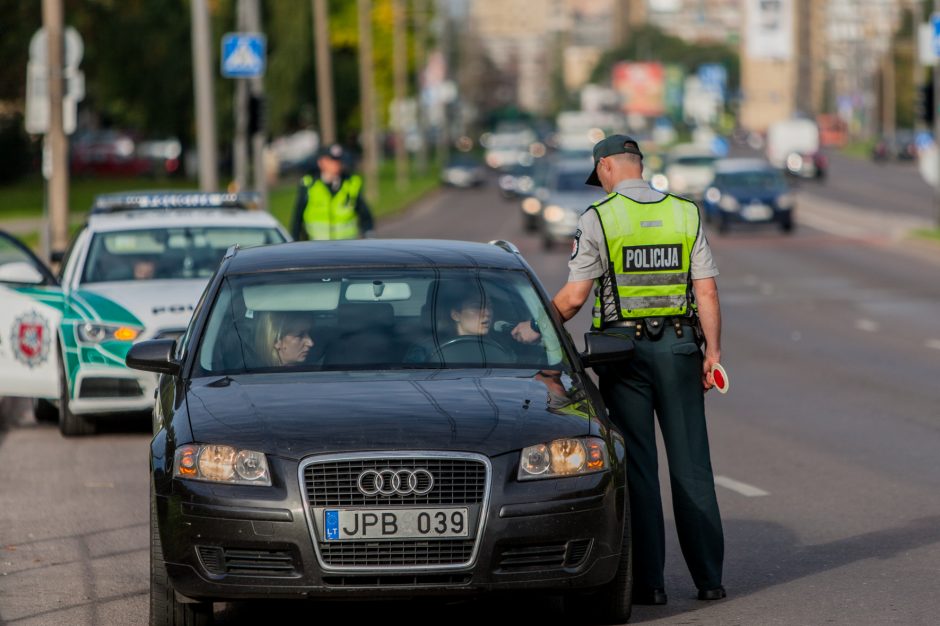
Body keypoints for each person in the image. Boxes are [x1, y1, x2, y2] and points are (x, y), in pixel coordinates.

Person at [548, 134, 726, 605]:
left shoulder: (600, 218)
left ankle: (650, 584)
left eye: (599, 175)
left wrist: (534, 326)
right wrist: (713, 354)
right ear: (638, 165)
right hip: (682, 348)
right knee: (693, 466)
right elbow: (705, 292)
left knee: (641, 470)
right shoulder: (684, 212)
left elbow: (574, 298)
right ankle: (710, 580)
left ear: (606, 167)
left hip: (624, 355)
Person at [290, 143, 374, 241]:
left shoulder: (351, 184)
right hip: (317, 249)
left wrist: (369, 236)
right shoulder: (309, 184)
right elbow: (297, 219)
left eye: (338, 160)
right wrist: (295, 241)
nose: (336, 164)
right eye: (332, 161)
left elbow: (365, 215)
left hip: (346, 248)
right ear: (321, 162)